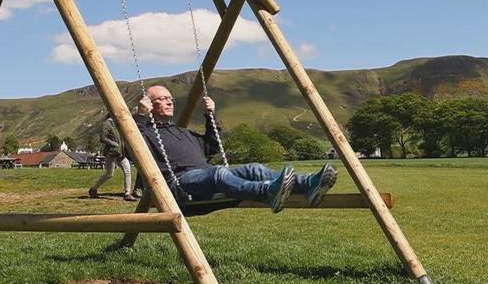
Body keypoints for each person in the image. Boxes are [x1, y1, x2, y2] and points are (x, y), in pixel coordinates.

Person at [132, 85, 337, 212]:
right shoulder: (144, 132)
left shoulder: (181, 132)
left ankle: (308, 183)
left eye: (170, 98)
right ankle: (267, 192)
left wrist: (210, 116)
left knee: (254, 169)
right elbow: (132, 145)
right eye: (162, 98)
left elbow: (211, 147)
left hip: (204, 179)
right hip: (179, 186)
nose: (169, 101)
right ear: (148, 103)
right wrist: (140, 116)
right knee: (218, 173)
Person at [89, 112, 136, 201]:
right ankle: (93, 189)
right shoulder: (106, 124)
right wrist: (113, 144)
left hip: (121, 153)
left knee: (127, 171)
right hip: (111, 152)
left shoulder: (118, 123)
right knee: (109, 174)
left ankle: (127, 194)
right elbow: (102, 138)